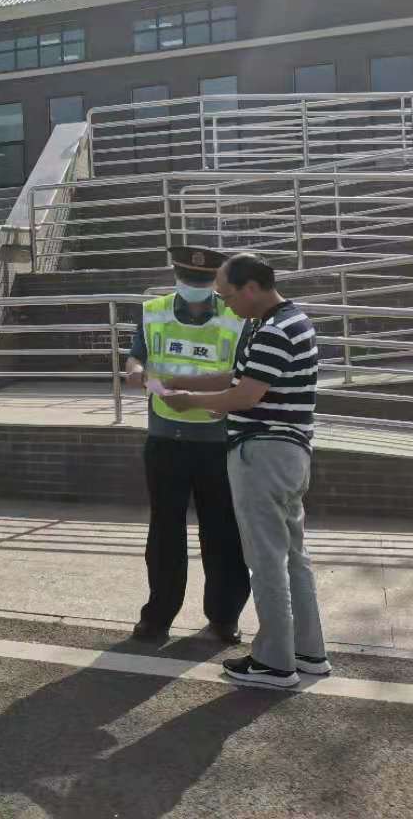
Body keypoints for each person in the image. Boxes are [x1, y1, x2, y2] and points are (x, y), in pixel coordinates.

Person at [160, 252, 328, 689]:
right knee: (293, 557)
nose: (226, 304)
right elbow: (234, 379)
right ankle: (308, 652)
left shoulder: (273, 330)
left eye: (228, 295)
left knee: (266, 560)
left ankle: (275, 662)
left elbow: (245, 395)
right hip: (289, 452)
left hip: (262, 454)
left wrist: (190, 403)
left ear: (251, 288)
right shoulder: (288, 322)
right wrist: (179, 381)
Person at [123, 246, 249, 646]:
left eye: (202, 281)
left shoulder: (235, 315)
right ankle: (158, 616)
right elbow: (136, 356)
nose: (194, 286)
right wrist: (135, 372)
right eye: (188, 279)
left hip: (217, 441)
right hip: (165, 439)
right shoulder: (154, 310)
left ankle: (224, 617)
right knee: (164, 531)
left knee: (223, 531)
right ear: (177, 278)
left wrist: (184, 389)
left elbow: (239, 373)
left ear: (214, 281)